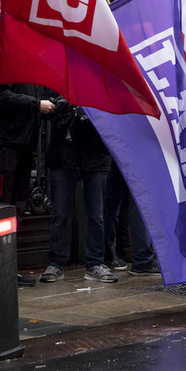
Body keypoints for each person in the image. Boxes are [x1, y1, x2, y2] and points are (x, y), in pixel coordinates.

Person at [38, 97, 117, 284]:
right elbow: (48, 112)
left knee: (96, 214)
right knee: (60, 213)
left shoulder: (102, 86)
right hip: (64, 154)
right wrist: (66, 108)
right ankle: (57, 262)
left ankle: (95, 263)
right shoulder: (60, 83)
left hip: (96, 155)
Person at [0, 83, 55, 287]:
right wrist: (36, 104)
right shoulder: (5, 59)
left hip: (24, 145)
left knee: (16, 208)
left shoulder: (29, 67)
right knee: (2, 207)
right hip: (8, 145)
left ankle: (8, 267)